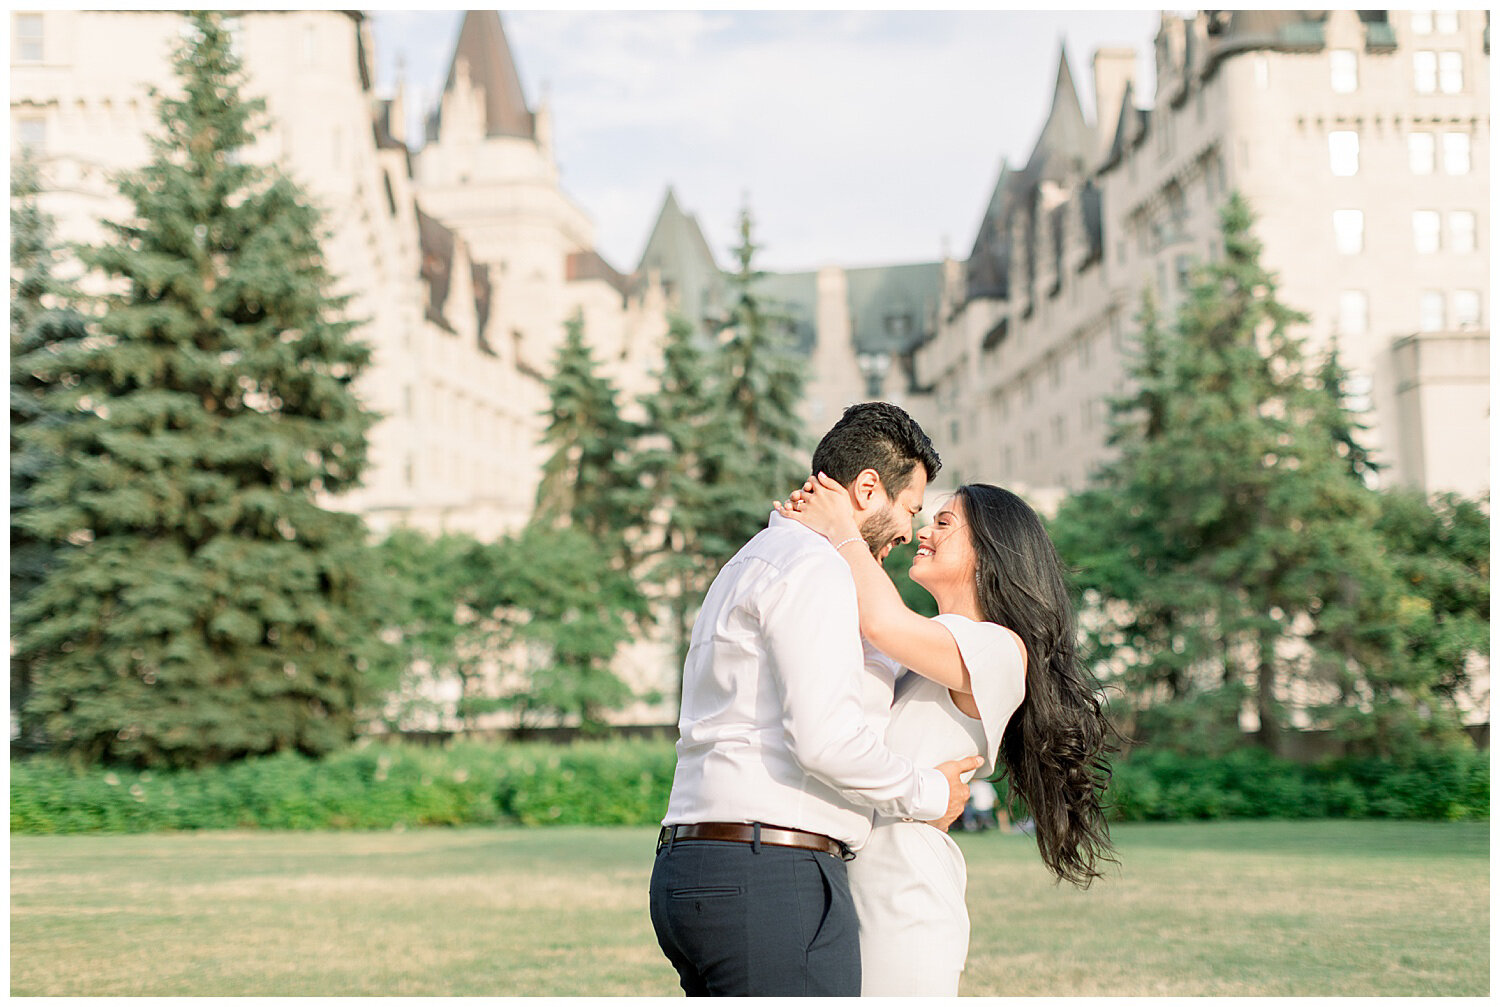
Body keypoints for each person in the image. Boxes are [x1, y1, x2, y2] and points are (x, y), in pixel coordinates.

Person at [648, 402, 984, 997]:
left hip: (695, 865)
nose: (909, 532)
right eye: (909, 509)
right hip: (771, 873)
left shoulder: (748, 561)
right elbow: (825, 740)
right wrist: (933, 791)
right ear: (866, 488)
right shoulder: (815, 568)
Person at [776, 474, 1117, 995]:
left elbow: (882, 622)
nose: (921, 533)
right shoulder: (921, 653)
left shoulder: (1000, 649)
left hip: (906, 893)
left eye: (944, 522)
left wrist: (842, 526)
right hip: (851, 883)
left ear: (990, 553)